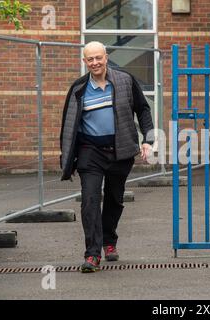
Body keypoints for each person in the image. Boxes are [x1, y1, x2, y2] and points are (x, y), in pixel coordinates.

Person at [60, 41, 154, 273]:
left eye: (98, 58)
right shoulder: (78, 89)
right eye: (90, 59)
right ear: (84, 62)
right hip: (89, 152)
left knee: (114, 199)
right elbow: (68, 125)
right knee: (90, 200)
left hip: (120, 151)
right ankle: (92, 255)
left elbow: (143, 109)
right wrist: (68, 158)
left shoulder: (125, 80)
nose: (95, 63)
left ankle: (109, 241)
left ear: (106, 56)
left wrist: (148, 140)